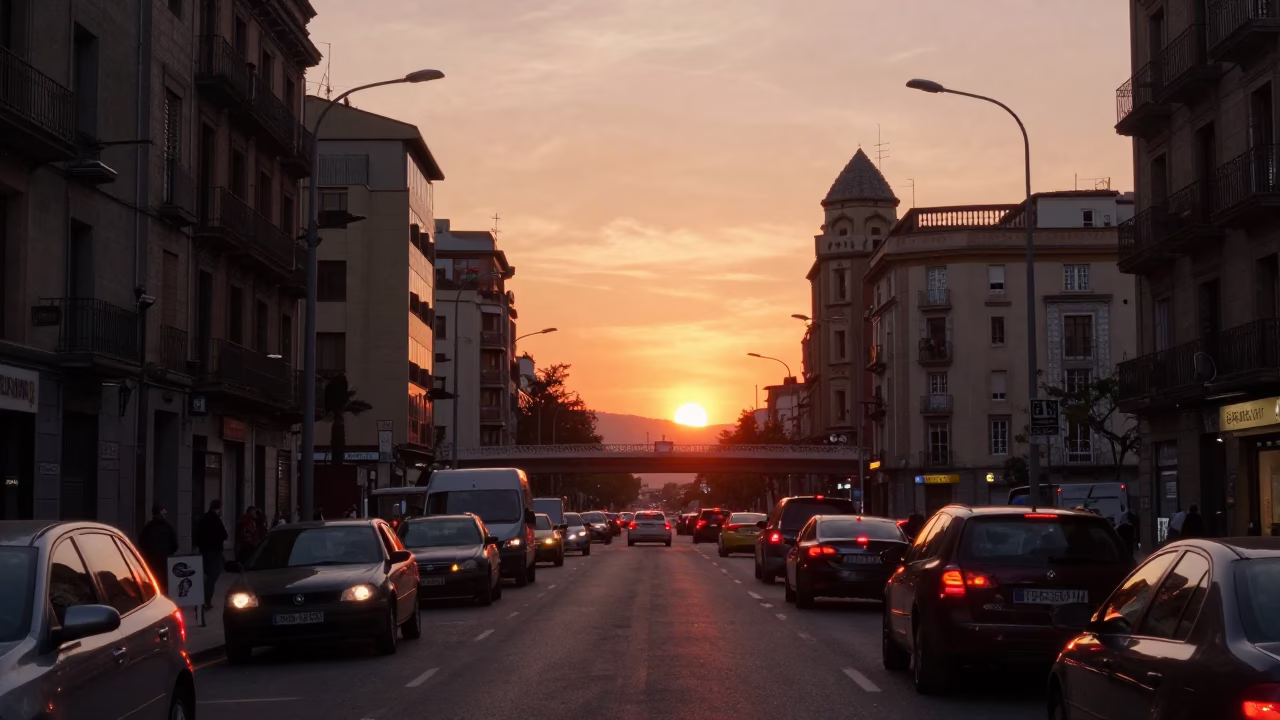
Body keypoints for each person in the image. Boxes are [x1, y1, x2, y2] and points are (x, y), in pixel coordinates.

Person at [194, 499, 228, 611]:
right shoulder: (216, 520)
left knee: (206, 574)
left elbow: (197, 535)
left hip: (204, 551)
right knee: (213, 574)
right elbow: (224, 534)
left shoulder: (203, 519)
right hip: (214, 551)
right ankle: (206, 599)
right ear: (219, 508)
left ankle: (203, 599)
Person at [138, 503, 178, 595]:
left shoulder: (150, 527)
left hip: (153, 558)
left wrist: (147, 551)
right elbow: (175, 544)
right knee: (163, 580)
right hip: (163, 558)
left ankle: (156, 595)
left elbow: (141, 541)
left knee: (154, 578)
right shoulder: (167, 527)